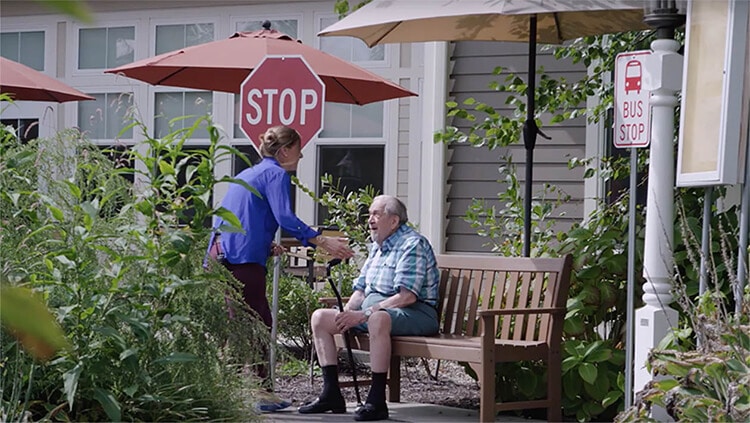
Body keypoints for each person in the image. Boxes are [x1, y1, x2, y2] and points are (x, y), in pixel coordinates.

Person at [205, 125, 354, 412]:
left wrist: (265, 245)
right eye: (299, 150)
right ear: (285, 151)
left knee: (235, 326)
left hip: (220, 256)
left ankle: (231, 392)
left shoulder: (246, 174)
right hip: (241, 262)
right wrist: (323, 242)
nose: (301, 156)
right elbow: (285, 217)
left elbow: (240, 217)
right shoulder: (276, 173)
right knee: (259, 325)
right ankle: (258, 396)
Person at [298, 195, 440, 421]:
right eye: (369, 214)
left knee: (377, 319)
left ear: (394, 221)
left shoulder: (412, 244)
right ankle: (331, 394)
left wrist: (362, 314)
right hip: (378, 310)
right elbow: (361, 291)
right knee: (320, 318)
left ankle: (376, 401)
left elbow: (407, 297)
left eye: (376, 214)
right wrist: (347, 312)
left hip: (416, 312)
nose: (370, 219)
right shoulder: (378, 245)